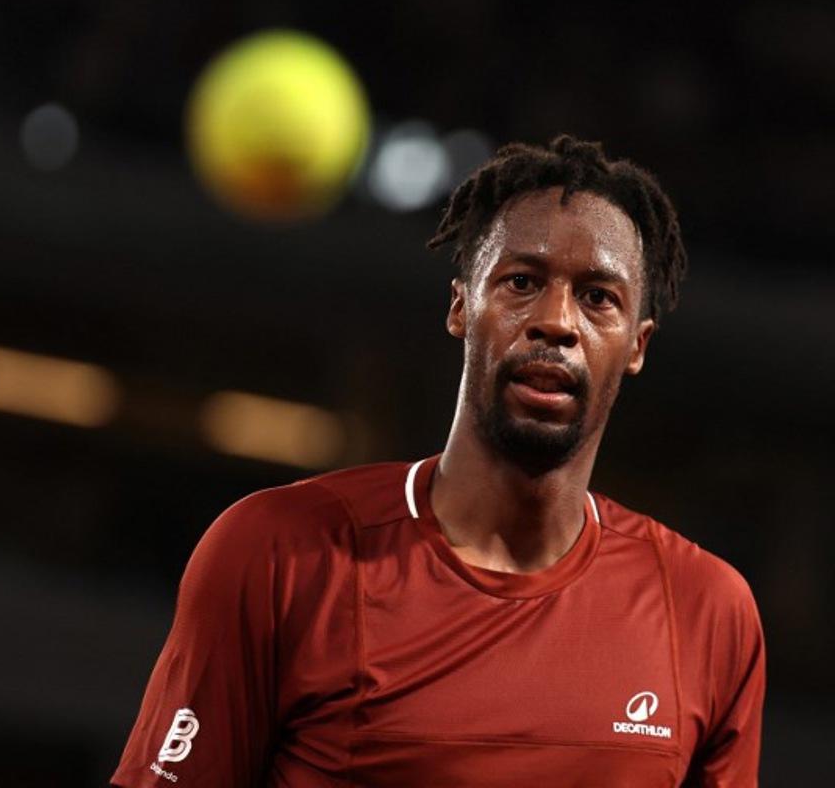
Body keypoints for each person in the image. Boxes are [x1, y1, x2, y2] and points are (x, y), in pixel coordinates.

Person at [110, 135, 765, 787]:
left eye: (599, 297)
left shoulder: (707, 613)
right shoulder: (281, 552)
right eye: (522, 281)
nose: (557, 321)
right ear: (461, 306)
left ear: (636, 346)